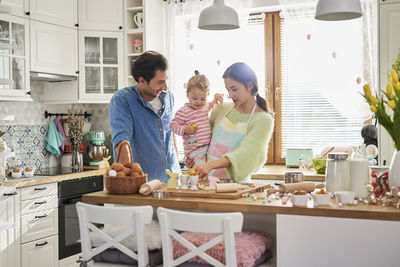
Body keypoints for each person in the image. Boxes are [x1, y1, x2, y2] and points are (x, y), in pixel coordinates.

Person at [191, 62, 274, 183]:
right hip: (206, 182)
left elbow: (247, 153)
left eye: (234, 89)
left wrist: (211, 165)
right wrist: (193, 155)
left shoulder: (263, 120)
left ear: (250, 86)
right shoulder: (221, 109)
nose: (230, 95)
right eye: (228, 90)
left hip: (236, 188)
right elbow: (203, 139)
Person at [109, 51, 180, 182]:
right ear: (142, 80)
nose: (164, 87)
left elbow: (170, 132)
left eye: (165, 81)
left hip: (173, 179)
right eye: (160, 82)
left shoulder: (168, 95)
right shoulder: (122, 100)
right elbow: (122, 142)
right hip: (143, 184)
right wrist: (126, 178)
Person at [170, 71, 223, 167]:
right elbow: (173, 125)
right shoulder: (184, 111)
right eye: (194, 98)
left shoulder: (205, 107)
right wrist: (185, 129)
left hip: (208, 147)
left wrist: (216, 98)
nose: (199, 102)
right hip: (194, 151)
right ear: (187, 95)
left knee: (211, 171)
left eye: (203, 99)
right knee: (201, 172)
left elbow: (213, 104)